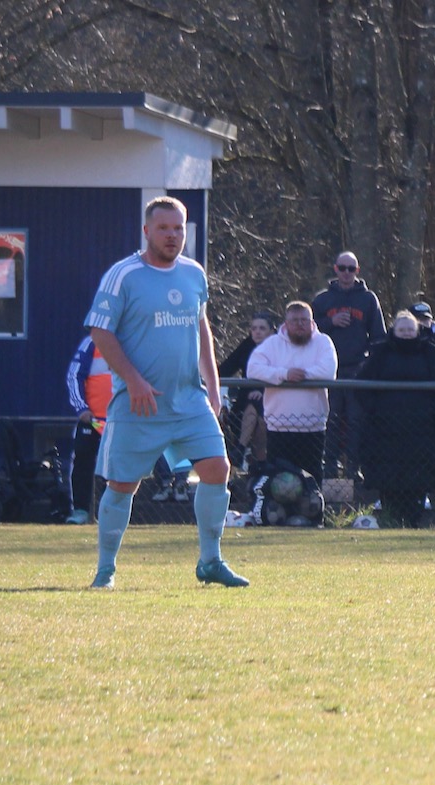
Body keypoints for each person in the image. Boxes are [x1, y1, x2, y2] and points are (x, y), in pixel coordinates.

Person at [83, 196, 247, 589]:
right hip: (138, 403)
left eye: (178, 228)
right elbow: (100, 331)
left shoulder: (193, 273)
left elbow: (202, 327)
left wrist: (213, 384)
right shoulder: (123, 275)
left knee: (217, 469)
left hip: (189, 400)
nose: (172, 235)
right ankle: (105, 570)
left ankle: (211, 561)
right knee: (122, 485)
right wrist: (134, 380)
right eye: (163, 228)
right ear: (146, 231)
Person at [357, 311, 435, 527]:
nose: (406, 333)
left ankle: (414, 522)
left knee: (418, 484)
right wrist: (376, 409)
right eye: (401, 329)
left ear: (417, 331)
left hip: (424, 432)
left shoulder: (433, 353)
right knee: (388, 483)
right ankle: (391, 520)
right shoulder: (380, 353)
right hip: (385, 431)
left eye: (410, 329)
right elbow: (362, 386)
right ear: (394, 330)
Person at [312, 251, 387, 482]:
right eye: (342, 268)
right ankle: (329, 467)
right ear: (335, 269)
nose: (346, 273)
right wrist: (330, 322)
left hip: (357, 369)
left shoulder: (368, 299)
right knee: (331, 419)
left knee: (356, 420)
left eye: (351, 269)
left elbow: (379, 336)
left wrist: (373, 366)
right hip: (328, 370)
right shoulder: (322, 300)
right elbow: (307, 331)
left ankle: (354, 468)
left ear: (357, 271)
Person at [247, 301, 339, 480]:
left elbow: (328, 371)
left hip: (313, 427)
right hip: (278, 427)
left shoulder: (323, 342)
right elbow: (253, 368)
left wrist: (302, 375)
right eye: (295, 320)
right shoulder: (272, 344)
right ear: (286, 323)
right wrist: (284, 374)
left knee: (311, 482)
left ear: (312, 322)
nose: (299, 324)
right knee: (279, 482)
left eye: (304, 320)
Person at [218, 311, 275, 471]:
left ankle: (241, 449)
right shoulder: (247, 345)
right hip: (244, 403)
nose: (257, 332)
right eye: (254, 328)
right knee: (253, 407)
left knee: (258, 411)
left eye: (262, 328)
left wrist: (262, 391)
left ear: (271, 331)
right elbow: (225, 369)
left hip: (272, 400)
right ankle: (257, 463)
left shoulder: (279, 347)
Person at [64, 334, 111, 524]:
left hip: (119, 422)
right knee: (83, 461)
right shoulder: (92, 342)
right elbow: (74, 375)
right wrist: (81, 408)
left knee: (116, 467)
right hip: (93, 420)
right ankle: (80, 511)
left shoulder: (133, 338)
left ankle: (111, 514)